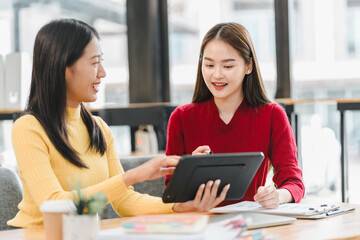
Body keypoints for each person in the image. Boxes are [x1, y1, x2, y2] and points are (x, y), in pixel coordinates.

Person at [8, 18, 229, 228]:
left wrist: (178, 207)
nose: (102, 73)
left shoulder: (98, 128)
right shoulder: (29, 128)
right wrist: (132, 175)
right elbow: (53, 203)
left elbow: (124, 201)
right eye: (95, 63)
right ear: (63, 67)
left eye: (101, 62)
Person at [165, 22, 305, 209]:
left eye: (228, 66)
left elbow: (294, 183)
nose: (217, 74)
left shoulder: (272, 115)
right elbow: (171, 194)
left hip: (251, 225)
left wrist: (277, 196)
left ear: (248, 66)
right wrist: (190, 171)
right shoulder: (181, 118)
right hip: (200, 226)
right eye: (209, 65)